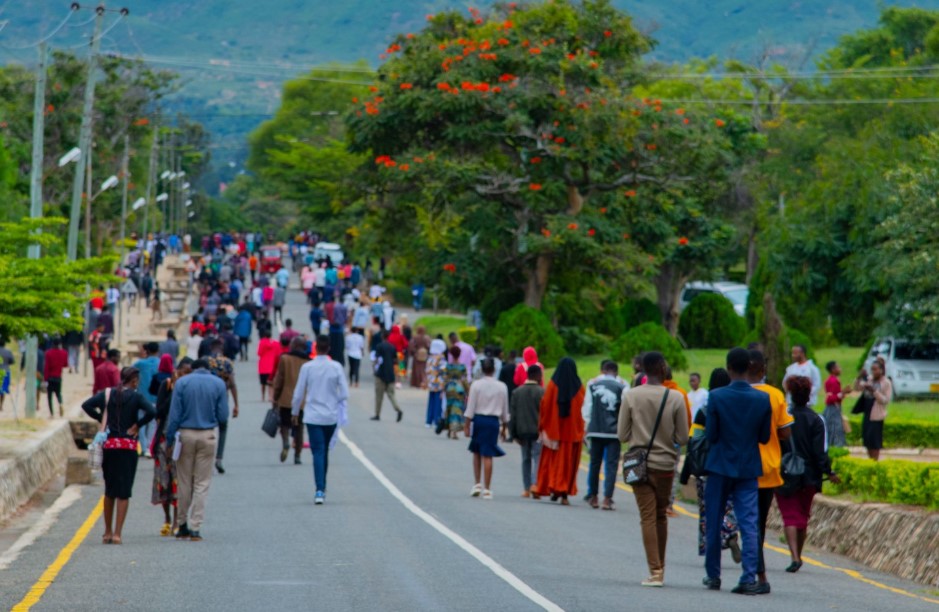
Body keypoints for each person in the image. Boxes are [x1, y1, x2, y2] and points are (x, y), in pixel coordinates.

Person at [702, 348, 772, 595]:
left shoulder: (717, 396)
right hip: (748, 466)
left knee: (713, 520)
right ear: (749, 367)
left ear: (729, 367)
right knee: (749, 523)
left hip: (720, 464)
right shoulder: (762, 399)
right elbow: (764, 437)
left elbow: (711, 435)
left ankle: (713, 575)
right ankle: (748, 577)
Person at [618, 352, 689, 587]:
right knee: (660, 516)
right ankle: (662, 568)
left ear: (642, 371)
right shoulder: (676, 397)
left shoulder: (631, 396)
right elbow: (682, 437)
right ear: (662, 368)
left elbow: (622, 434)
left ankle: (655, 571)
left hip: (639, 465)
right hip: (665, 465)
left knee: (647, 517)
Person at [82, 367, 156, 544]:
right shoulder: (136, 397)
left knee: (109, 490)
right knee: (124, 492)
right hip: (128, 447)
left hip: (110, 445)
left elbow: (86, 405)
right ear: (135, 381)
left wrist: (102, 419)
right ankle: (117, 534)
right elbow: (152, 412)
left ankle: (106, 532)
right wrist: (137, 426)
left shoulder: (108, 394)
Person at [777, 376, 840, 573]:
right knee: (803, 516)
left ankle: (794, 556)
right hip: (809, 476)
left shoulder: (783, 417)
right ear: (809, 395)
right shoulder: (816, 419)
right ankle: (799, 554)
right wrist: (828, 472)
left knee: (789, 516)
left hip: (786, 473)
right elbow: (820, 451)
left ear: (791, 394)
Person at [166, 359, 229, 541]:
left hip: (185, 434)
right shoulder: (218, 383)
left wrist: (170, 439)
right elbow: (223, 416)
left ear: (192, 369)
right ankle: (196, 527)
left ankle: (182, 523)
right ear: (209, 369)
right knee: (202, 483)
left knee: (185, 481)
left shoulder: (183, 383)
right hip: (208, 434)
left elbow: (175, 414)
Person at [748, 349, 794, 591]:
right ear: (763, 371)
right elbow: (786, 432)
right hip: (769, 467)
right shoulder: (775, 395)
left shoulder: (735, 394)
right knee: (759, 522)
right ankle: (757, 571)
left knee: (748, 522)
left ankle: (759, 573)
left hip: (743, 468)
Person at [683, 368, 740, 560]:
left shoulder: (704, 412)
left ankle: (710, 550)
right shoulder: (735, 409)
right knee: (730, 504)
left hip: (707, 467)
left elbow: (694, 442)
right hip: (731, 466)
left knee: (707, 510)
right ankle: (731, 532)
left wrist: (686, 472)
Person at [291, 335, 350, 505]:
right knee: (323, 450)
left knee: (317, 451)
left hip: (313, 415)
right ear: (329, 348)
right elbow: (345, 393)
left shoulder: (307, 367)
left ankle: (319, 489)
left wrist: (295, 412)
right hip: (330, 415)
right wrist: (333, 400)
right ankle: (322, 486)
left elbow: (298, 393)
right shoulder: (336, 367)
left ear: (315, 349)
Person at [534, 357, 586, 505]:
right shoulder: (580, 388)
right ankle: (564, 494)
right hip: (572, 435)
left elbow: (545, 407)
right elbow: (582, 412)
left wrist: (543, 427)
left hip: (554, 433)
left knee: (553, 463)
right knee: (568, 465)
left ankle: (554, 488)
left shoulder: (552, 386)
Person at [152, 357, 193, 536]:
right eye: (183, 372)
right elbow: (159, 411)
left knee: (179, 479)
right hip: (163, 440)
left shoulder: (190, 389)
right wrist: (174, 391)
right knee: (163, 480)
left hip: (181, 440)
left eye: (189, 373)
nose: (186, 376)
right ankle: (167, 518)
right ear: (177, 371)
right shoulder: (166, 386)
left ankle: (178, 519)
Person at [583, 360, 627, 511]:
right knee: (612, 465)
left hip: (595, 430)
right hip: (614, 432)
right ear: (616, 371)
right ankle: (607, 499)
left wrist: (586, 427)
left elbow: (587, 407)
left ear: (602, 370)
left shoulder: (592, 384)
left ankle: (594, 497)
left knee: (594, 464)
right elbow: (626, 410)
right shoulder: (623, 385)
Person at [464, 359, 509, 500]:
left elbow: (470, 407)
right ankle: (487, 489)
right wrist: (504, 427)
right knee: (488, 454)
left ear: (482, 370)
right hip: (493, 422)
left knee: (476, 451)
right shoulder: (502, 386)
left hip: (479, 420)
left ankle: (477, 484)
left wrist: (467, 424)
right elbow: (504, 409)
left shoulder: (476, 385)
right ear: (494, 369)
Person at [272, 337, 311, 465]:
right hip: (302, 402)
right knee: (299, 427)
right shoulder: (308, 362)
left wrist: (275, 397)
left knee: (284, 425)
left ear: (293, 346)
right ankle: (298, 455)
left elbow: (279, 380)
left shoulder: (285, 359)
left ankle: (286, 443)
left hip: (286, 399)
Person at [509, 364, 544, 498]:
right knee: (537, 458)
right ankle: (535, 484)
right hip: (537, 431)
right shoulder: (542, 392)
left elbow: (514, 414)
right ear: (536, 376)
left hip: (522, 431)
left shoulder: (517, 392)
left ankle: (526, 488)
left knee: (525, 459)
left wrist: (513, 433)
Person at [206, 340, 240, 474]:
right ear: (222, 348)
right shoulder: (227, 362)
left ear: (211, 347)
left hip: (207, 400)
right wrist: (236, 404)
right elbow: (232, 384)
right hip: (222, 400)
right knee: (223, 428)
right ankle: (219, 458)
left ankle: (207, 459)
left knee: (207, 428)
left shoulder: (206, 362)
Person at [857, 359, 891, 461]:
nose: (873, 372)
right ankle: (870, 459)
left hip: (876, 415)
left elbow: (885, 400)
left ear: (881, 370)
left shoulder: (886, 383)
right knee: (867, 439)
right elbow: (857, 388)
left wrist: (874, 391)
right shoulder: (870, 379)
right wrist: (859, 377)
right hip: (867, 412)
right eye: (872, 370)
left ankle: (875, 460)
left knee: (874, 441)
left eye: (875, 370)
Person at [134, 342, 161, 458]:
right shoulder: (160, 363)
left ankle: (143, 447)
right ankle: (150, 448)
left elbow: (129, 372)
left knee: (141, 423)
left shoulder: (140, 363)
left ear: (147, 351)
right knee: (152, 424)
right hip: (155, 399)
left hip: (141, 398)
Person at [372, 329, 403, 422]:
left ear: (382, 336)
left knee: (379, 396)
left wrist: (374, 369)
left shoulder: (379, 346)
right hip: (390, 374)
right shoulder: (392, 347)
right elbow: (396, 361)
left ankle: (377, 414)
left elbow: (377, 359)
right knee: (391, 394)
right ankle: (398, 409)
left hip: (381, 373)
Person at [443, 346, 469, 439]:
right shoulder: (462, 367)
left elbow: (445, 379)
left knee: (449, 408)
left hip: (450, 389)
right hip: (459, 389)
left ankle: (449, 430)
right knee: (457, 410)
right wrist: (468, 390)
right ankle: (454, 432)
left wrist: (443, 390)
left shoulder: (448, 366)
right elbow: (464, 380)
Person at [823, 361, 848, 448]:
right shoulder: (833, 381)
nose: (840, 369)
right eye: (838, 367)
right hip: (833, 408)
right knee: (836, 429)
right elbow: (831, 398)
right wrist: (843, 393)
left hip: (833, 407)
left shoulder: (830, 380)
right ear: (833, 369)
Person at [44, 338, 69, 417]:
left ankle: (51, 413)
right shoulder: (64, 353)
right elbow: (65, 364)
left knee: (49, 396)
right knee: (58, 394)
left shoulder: (48, 353)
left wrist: (45, 378)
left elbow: (47, 367)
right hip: (58, 377)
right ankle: (60, 403)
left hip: (50, 377)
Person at [257, 330, 280, 403]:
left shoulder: (262, 342)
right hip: (272, 365)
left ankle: (263, 396)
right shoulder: (276, 343)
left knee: (263, 383)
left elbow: (259, 353)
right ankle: (271, 396)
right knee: (271, 383)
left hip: (263, 365)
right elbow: (278, 353)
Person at [0, 340, 13, 411]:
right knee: (3, 389)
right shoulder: (8, 351)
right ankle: (1, 405)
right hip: (6, 371)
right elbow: (12, 361)